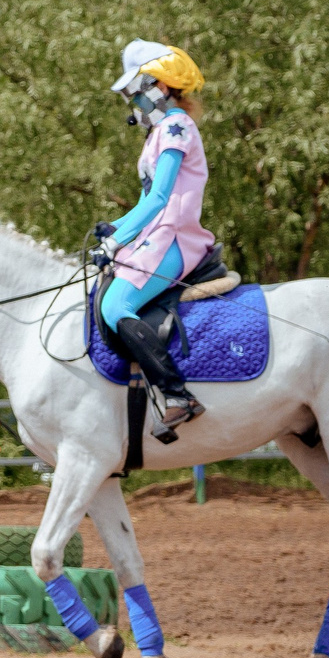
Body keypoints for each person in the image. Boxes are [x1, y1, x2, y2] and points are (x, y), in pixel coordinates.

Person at [93, 41, 215, 439]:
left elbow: (162, 200)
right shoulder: (159, 131)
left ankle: (177, 395)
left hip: (176, 238)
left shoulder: (177, 127)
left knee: (115, 305)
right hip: (155, 236)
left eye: (135, 91)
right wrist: (116, 229)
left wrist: (117, 242)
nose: (132, 102)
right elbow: (147, 202)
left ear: (159, 86)